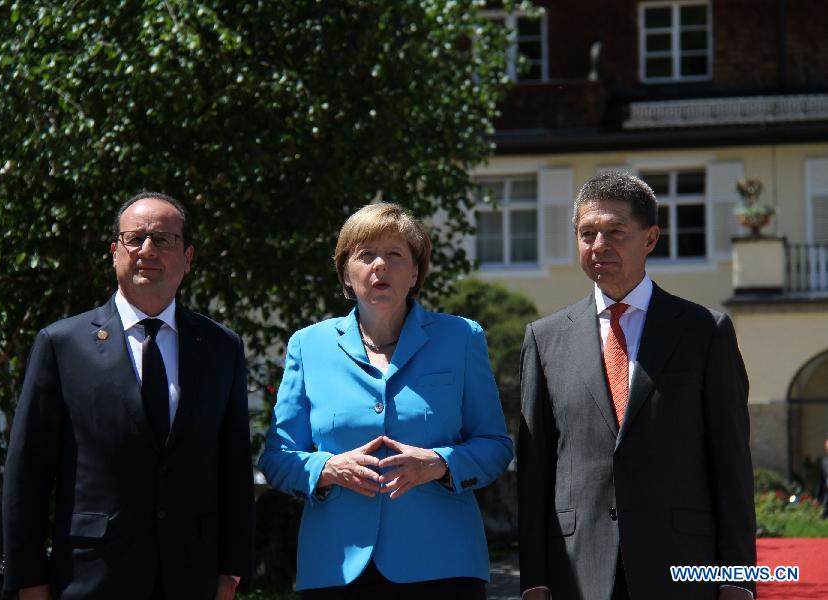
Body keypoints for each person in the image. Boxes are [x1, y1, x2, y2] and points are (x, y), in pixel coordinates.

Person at [2, 192, 254, 600]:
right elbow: (28, 472)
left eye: (163, 239)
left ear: (188, 257)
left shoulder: (221, 348)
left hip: (192, 579)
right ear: (114, 251)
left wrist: (231, 573)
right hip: (90, 579)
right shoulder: (62, 344)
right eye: (135, 239)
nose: (147, 250)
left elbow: (234, 468)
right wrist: (29, 581)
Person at [518, 172, 756, 600]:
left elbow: (732, 464)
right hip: (577, 569)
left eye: (615, 232)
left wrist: (737, 578)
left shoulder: (704, 331)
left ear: (650, 239)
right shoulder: (544, 338)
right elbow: (535, 470)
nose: (599, 246)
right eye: (587, 233)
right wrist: (534, 578)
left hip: (682, 566)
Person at [259, 202, 513, 599]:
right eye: (366, 255)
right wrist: (328, 468)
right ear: (346, 272)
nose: (381, 265)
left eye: (395, 255)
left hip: (444, 566)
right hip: (336, 568)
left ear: (414, 272)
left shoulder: (462, 338)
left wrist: (440, 463)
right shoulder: (308, 346)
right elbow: (277, 457)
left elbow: (496, 446)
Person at [819, 437, 828, 518]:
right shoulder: (824, 463)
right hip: (827, 495)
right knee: (823, 516)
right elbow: (822, 481)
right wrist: (818, 497)